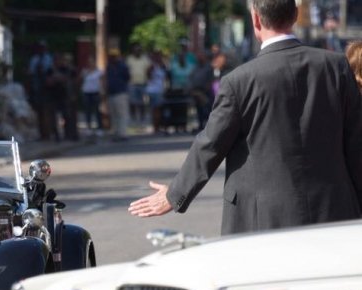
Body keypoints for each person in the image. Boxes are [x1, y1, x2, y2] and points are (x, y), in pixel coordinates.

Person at [128, 0, 362, 235]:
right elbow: (356, 143)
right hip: (334, 211)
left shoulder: (239, 81)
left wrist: (175, 195)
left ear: (256, 19)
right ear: (295, 16)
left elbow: (210, 144)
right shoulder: (336, 67)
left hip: (263, 219)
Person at [105, 48, 130, 141]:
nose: (112, 58)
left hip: (121, 92)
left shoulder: (123, 66)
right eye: (111, 56)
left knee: (122, 114)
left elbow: (127, 77)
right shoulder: (109, 66)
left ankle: (123, 133)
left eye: (114, 56)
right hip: (111, 93)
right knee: (113, 115)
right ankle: (116, 132)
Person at [80, 57, 104, 136]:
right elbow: (81, 81)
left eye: (92, 62)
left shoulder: (99, 72)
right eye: (89, 62)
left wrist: (102, 92)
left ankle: (100, 128)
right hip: (87, 92)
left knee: (97, 111)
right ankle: (88, 127)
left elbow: (102, 82)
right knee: (88, 111)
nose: (91, 64)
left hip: (95, 92)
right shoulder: (84, 72)